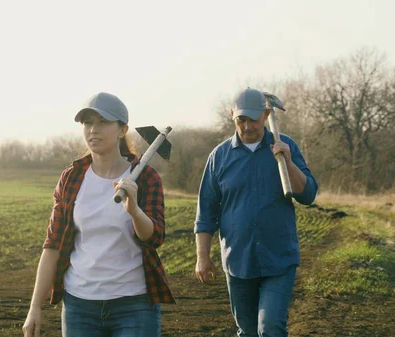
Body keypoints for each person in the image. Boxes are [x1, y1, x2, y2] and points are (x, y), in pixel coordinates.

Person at [22, 92, 175, 337]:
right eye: (88, 123)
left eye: (103, 122)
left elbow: (154, 237)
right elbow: (52, 244)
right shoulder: (71, 177)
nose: (94, 129)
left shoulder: (145, 177)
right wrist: (34, 307)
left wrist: (134, 210)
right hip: (80, 306)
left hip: (134, 305)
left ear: (122, 129)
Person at [193, 87, 318, 337]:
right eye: (241, 119)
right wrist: (202, 257)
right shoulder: (219, 157)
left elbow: (308, 195)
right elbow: (206, 212)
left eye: (253, 118)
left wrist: (288, 162)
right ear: (232, 116)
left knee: (270, 327)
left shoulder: (285, 145)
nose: (248, 126)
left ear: (265, 114)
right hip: (238, 261)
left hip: (279, 258)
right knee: (248, 331)